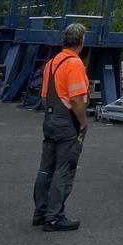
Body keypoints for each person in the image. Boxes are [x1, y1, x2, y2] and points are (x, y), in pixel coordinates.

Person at [32, 23, 89, 231]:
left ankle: (40, 212)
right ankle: (54, 217)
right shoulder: (74, 63)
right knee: (63, 169)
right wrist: (82, 122)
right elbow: (76, 100)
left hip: (50, 119)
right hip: (67, 122)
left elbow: (46, 96)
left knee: (46, 168)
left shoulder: (51, 63)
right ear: (81, 42)